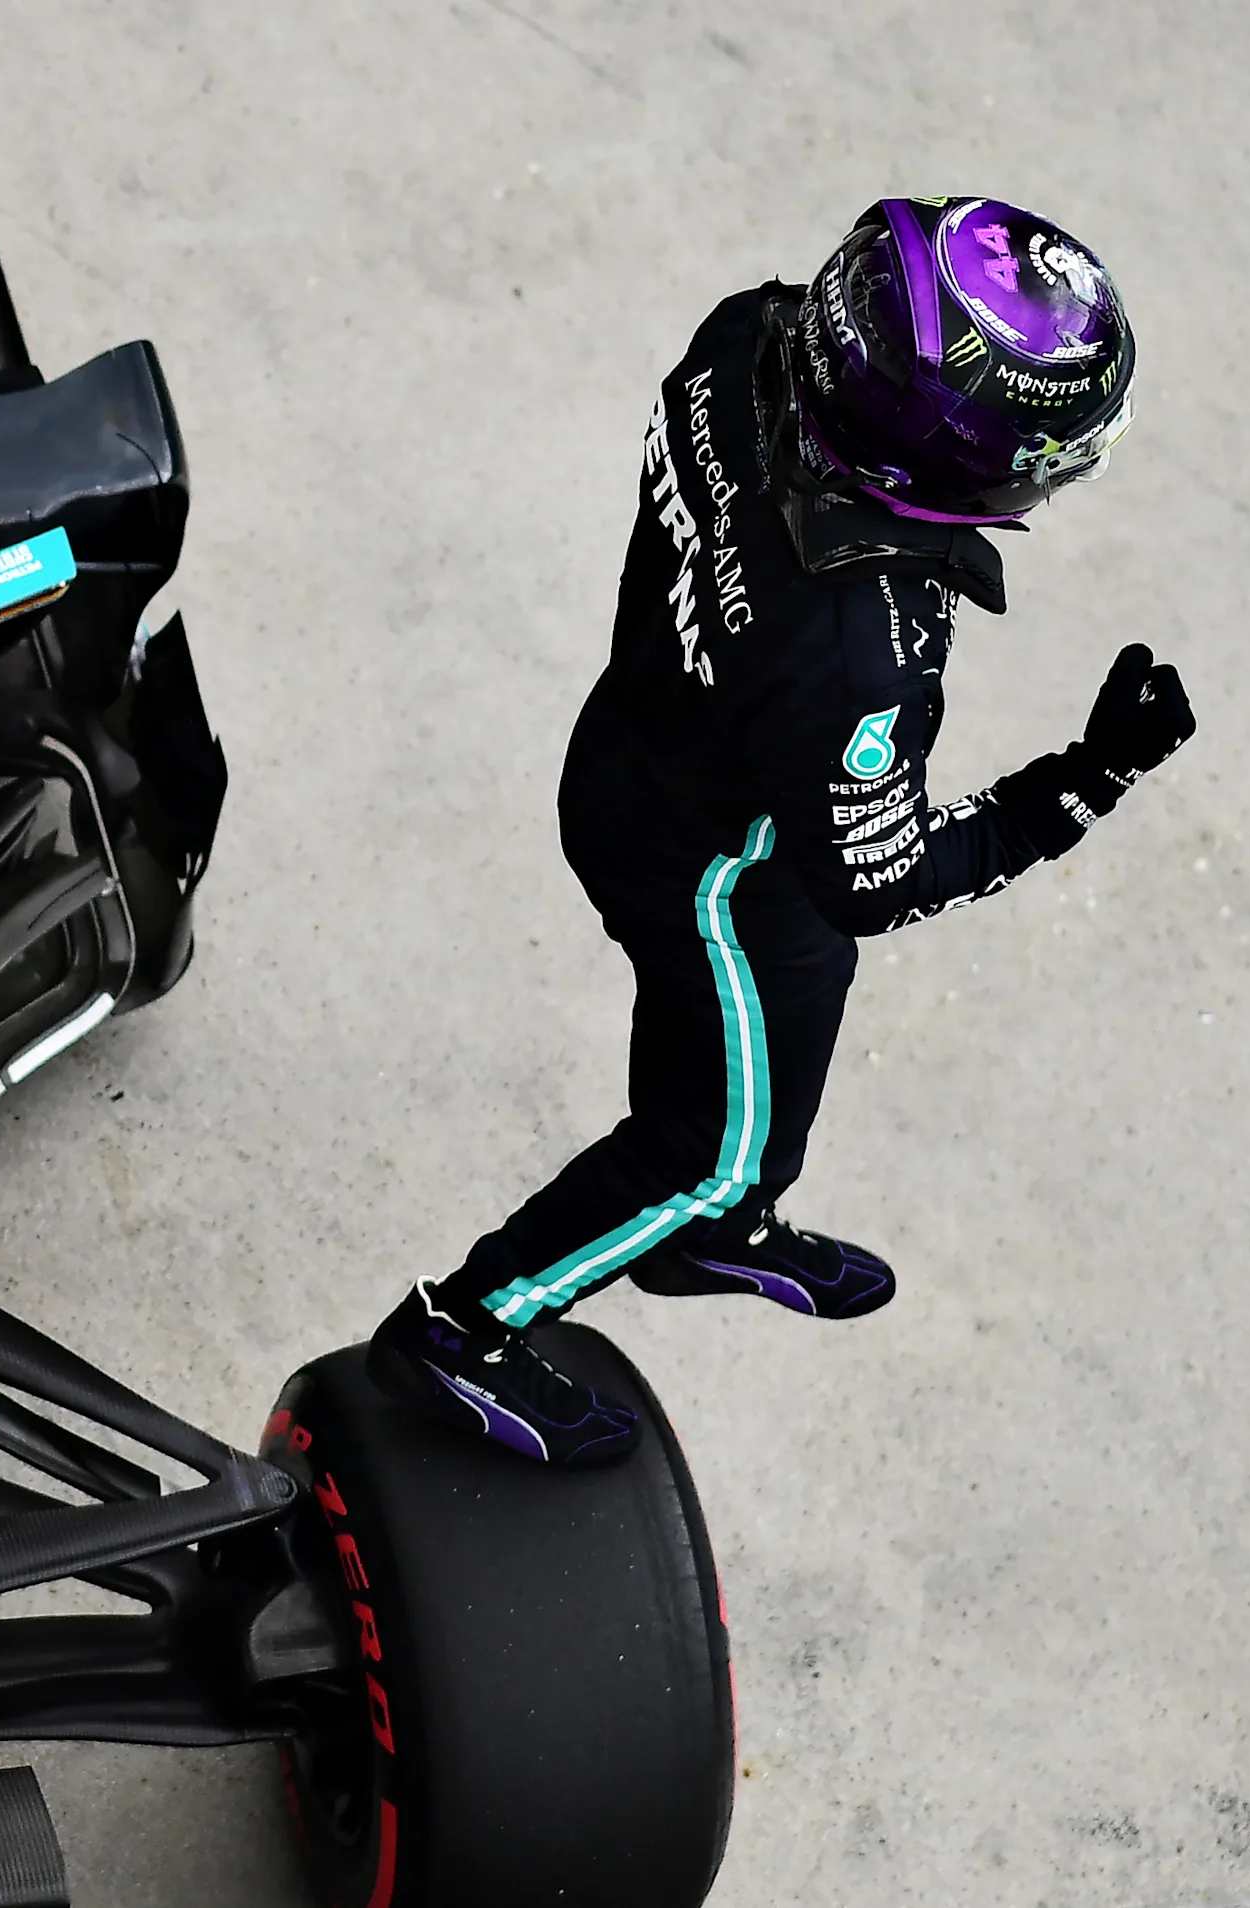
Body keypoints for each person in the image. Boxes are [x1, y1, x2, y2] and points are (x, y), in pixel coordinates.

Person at [372, 197, 1195, 1466]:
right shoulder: (857, 652)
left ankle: (722, 1221)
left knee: (770, 1026)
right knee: (709, 1135)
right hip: (715, 878)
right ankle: (471, 1323)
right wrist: (1088, 776)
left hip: (647, 752)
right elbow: (886, 876)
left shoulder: (742, 340)